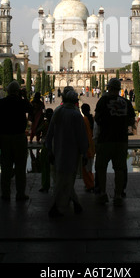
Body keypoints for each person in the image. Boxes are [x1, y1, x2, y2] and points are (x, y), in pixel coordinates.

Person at [45, 89, 88, 217]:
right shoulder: (75, 115)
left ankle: (74, 203)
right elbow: (82, 136)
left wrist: (49, 149)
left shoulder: (58, 111)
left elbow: (50, 134)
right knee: (67, 180)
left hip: (58, 150)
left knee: (62, 179)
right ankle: (58, 207)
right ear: (75, 101)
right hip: (72, 153)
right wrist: (84, 152)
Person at [94, 78, 135, 206]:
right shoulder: (126, 102)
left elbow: (97, 118)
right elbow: (131, 121)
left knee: (101, 168)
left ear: (109, 88)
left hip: (105, 139)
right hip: (121, 140)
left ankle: (102, 193)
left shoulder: (103, 100)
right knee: (120, 168)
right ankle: (117, 195)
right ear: (119, 89)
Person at [0, 80, 33, 201]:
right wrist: (24, 96)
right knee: (20, 166)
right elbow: (31, 109)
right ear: (18, 91)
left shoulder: (2, 102)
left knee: (6, 166)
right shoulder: (21, 102)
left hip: (5, 137)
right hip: (18, 136)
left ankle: (5, 193)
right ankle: (20, 193)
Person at [37, 107, 54, 193]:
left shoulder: (46, 124)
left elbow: (37, 130)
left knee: (45, 167)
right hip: (55, 147)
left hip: (46, 146)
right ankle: (56, 185)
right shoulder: (55, 124)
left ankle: (45, 185)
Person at [81, 103, 95, 192]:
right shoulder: (92, 119)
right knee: (89, 166)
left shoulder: (84, 119)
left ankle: (90, 185)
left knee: (86, 167)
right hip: (92, 146)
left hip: (87, 146)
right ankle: (90, 183)